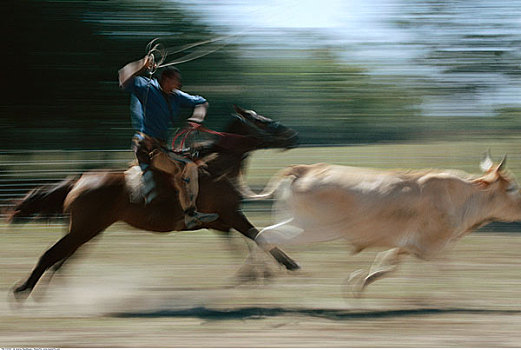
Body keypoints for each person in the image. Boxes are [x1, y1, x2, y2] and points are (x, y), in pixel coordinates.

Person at [119, 55, 219, 229]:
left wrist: (197, 118)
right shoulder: (146, 87)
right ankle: (190, 214)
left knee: (191, 165)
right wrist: (142, 63)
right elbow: (123, 78)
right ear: (165, 79)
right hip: (147, 147)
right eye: (176, 81)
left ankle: (188, 212)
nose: (179, 84)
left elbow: (202, 102)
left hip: (161, 147)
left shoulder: (176, 96)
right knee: (182, 169)